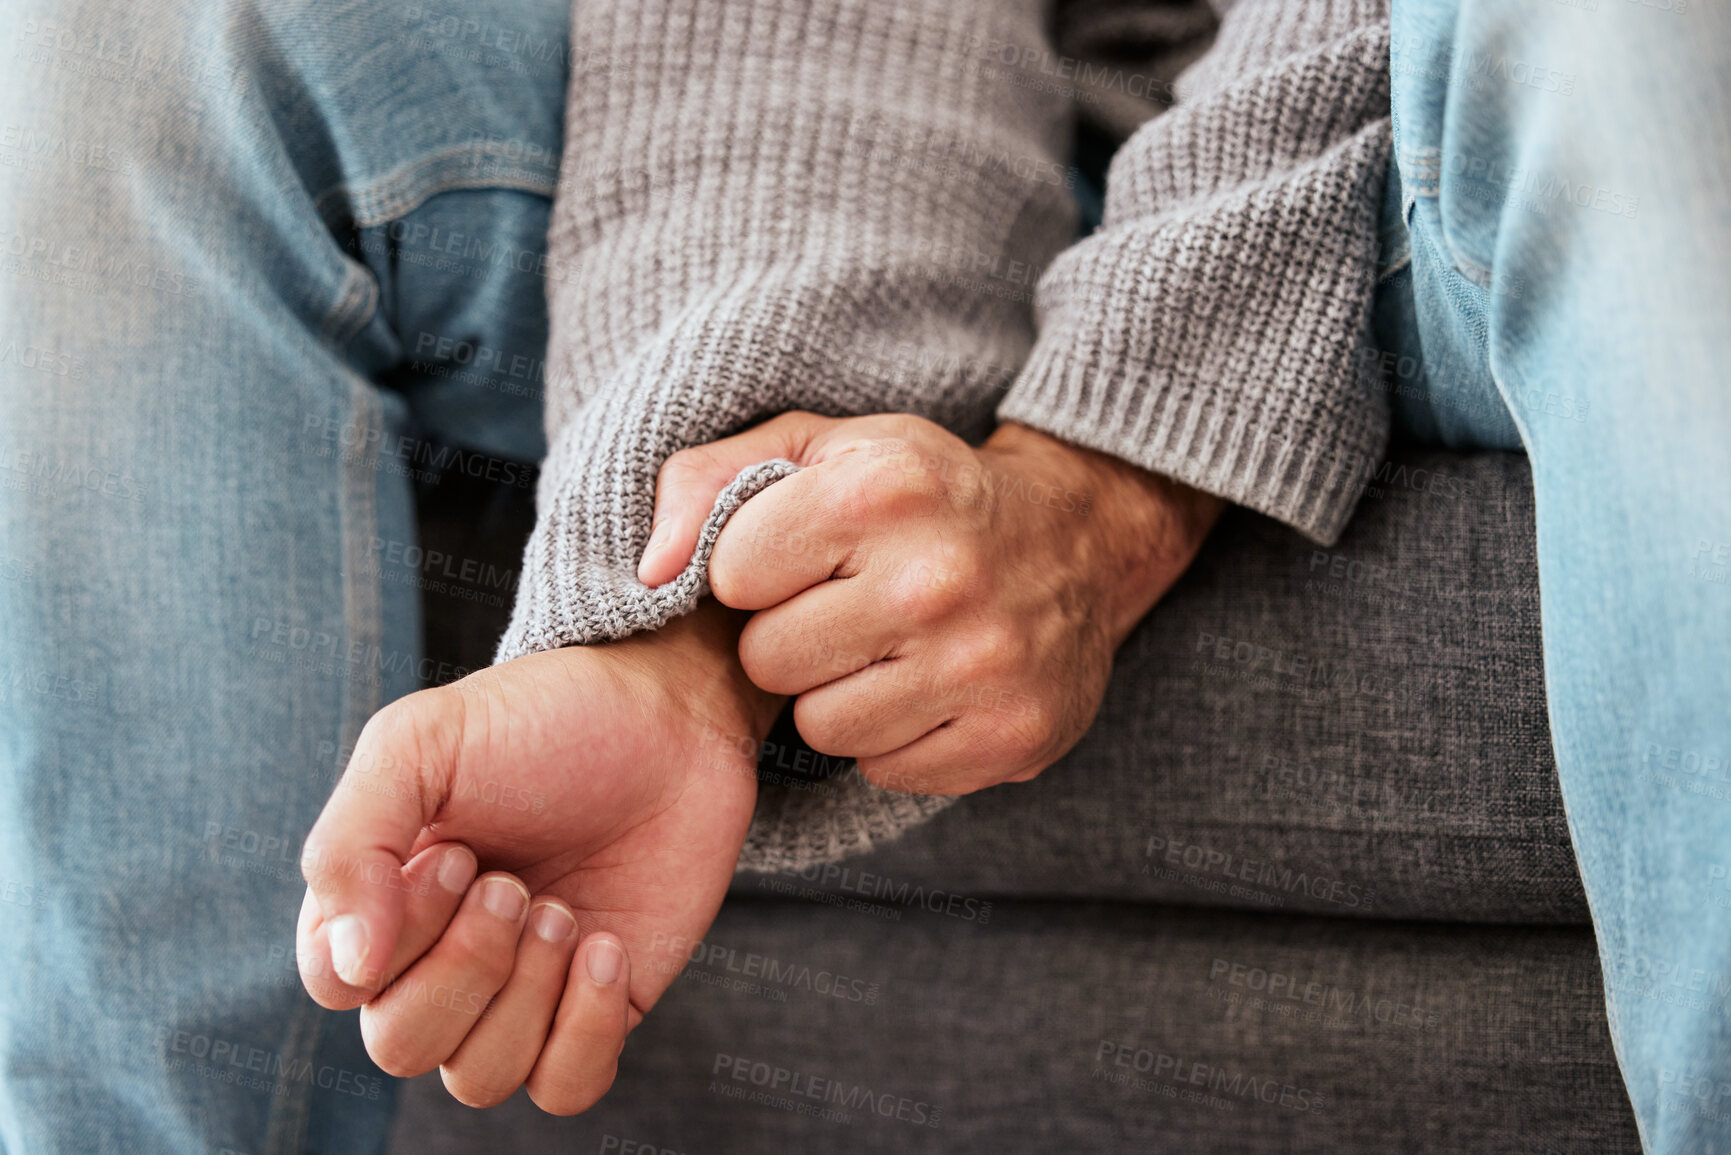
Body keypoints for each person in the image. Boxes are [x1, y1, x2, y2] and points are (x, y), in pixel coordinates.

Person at [1, 3, 1725, 1155]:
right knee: (145, 41)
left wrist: (1107, 473)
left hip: (1439, 82)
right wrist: (697, 618)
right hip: (1023, 94)